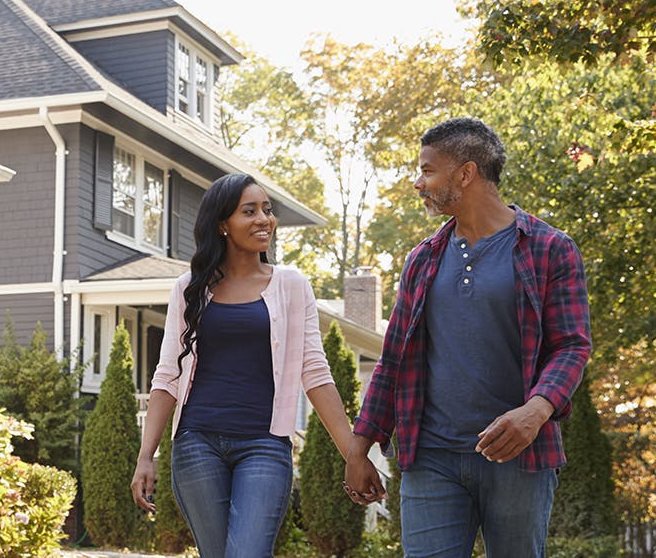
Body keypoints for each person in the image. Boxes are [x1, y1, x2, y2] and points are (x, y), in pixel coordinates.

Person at [346, 117, 591, 557]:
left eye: (426, 170)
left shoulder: (549, 248)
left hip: (520, 456)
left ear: (465, 173)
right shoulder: (422, 260)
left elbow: (572, 345)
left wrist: (535, 413)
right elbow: (392, 361)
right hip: (431, 456)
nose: (417, 182)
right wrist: (359, 448)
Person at [131, 173, 383, 557]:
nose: (264, 219)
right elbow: (168, 375)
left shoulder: (292, 285)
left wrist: (354, 452)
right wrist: (146, 456)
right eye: (249, 211)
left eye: (267, 210)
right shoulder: (190, 288)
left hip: (264, 445)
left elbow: (315, 373)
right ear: (222, 225)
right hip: (197, 444)